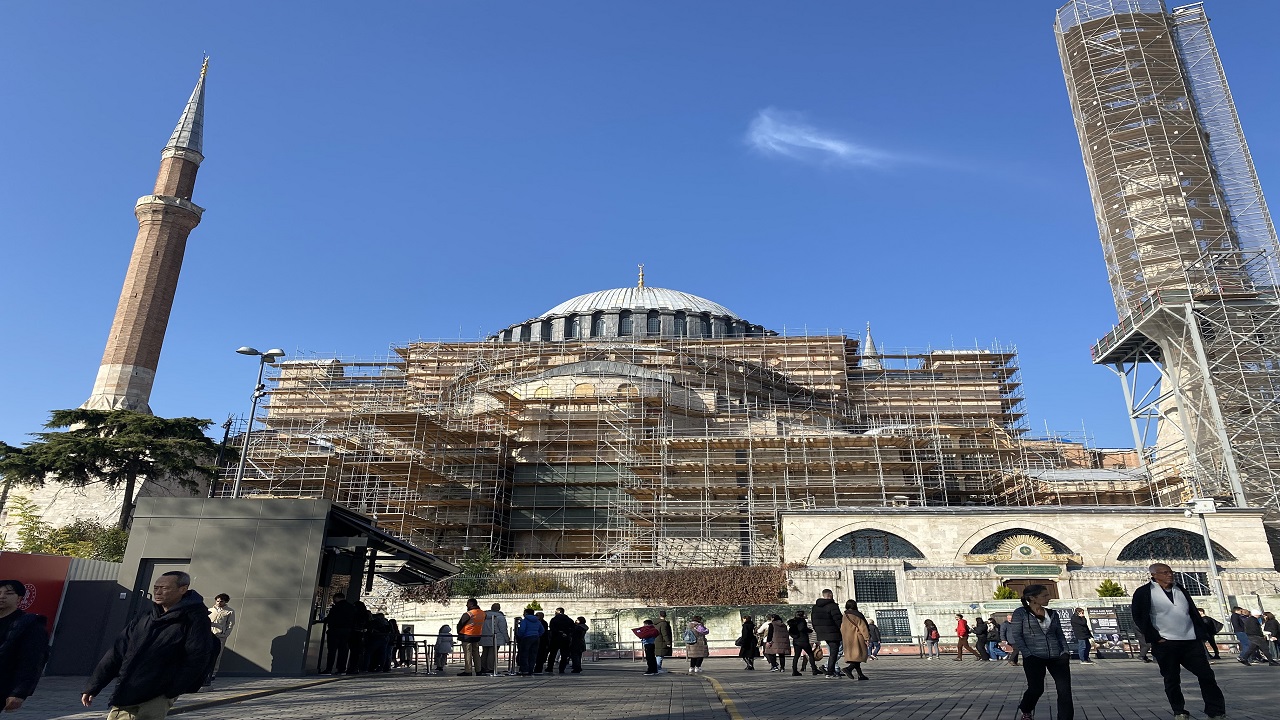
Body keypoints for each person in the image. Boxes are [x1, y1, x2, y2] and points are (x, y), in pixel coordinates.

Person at [83, 571, 216, 720]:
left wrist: (173, 689)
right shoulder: (145, 617)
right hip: (128, 689)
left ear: (183, 589)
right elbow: (117, 651)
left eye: (164, 588)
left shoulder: (194, 619)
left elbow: (198, 657)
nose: (158, 592)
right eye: (156, 587)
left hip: (158, 693)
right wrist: (94, 685)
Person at [1132, 563, 1227, 720]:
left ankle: (1216, 711)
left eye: (1170, 572)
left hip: (1190, 641)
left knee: (1207, 676)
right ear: (1154, 575)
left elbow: (1192, 611)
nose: (1169, 575)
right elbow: (1139, 616)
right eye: (1164, 572)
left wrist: (1200, 634)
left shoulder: (1180, 589)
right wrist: (1156, 638)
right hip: (1166, 643)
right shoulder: (1144, 592)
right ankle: (1179, 710)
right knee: (1172, 679)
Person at [1007, 584, 1074, 720]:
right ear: (1032, 598)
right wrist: (1027, 653)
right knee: (1036, 689)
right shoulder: (1021, 613)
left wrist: (1065, 651)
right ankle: (1026, 709)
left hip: (1057, 656)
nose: (1048, 597)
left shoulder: (1052, 613)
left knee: (1065, 691)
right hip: (1034, 656)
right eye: (1044, 595)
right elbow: (1017, 635)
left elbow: (1059, 634)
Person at [0, 579, 49, 713]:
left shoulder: (29, 625)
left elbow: (32, 661)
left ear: (19, 598)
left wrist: (19, 692)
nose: (2, 596)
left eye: (8, 593)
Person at [322, 592, 357, 675]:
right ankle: (341, 669)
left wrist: (326, 620)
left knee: (332, 651)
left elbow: (330, 618)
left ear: (336, 598)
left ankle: (329, 668)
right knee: (343, 651)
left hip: (334, 631)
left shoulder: (336, 607)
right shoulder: (351, 607)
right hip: (347, 631)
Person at [811, 589, 844, 677]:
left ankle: (832, 669)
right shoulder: (832, 606)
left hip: (823, 633)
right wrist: (842, 630)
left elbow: (814, 621)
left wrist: (818, 631)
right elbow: (838, 620)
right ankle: (829, 671)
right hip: (833, 632)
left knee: (833, 651)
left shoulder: (815, 607)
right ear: (830, 595)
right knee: (834, 652)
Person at [206, 593, 235, 683]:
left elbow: (230, 624)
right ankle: (205, 672)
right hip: (209, 634)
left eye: (221, 601)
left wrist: (225, 634)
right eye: (217, 601)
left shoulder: (229, 611)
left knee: (217, 654)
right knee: (206, 653)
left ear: (225, 601)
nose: (219, 603)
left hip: (220, 636)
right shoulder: (210, 610)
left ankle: (213, 673)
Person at [839, 600, 870, 681]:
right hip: (857, 638)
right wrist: (867, 638)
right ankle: (849, 669)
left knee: (855, 656)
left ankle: (860, 675)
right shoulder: (857, 615)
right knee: (859, 656)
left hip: (848, 639)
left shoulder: (845, 615)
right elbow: (863, 627)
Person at [456, 597, 485, 676]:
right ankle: (478, 670)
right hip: (477, 635)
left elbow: (460, 624)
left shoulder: (468, 614)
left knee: (468, 653)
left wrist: (459, 633)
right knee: (476, 653)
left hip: (467, 635)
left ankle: (468, 670)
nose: (466, 605)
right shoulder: (482, 613)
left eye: (467, 603)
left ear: (471, 604)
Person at [479, 602, 509, 676]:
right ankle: (490, 668)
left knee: (485, 653)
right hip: (496, 637)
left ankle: (482, 667)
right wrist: (506, 638)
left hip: (484, 636)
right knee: (492, 653)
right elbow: (503, 629)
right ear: (498, 609)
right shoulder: (500, 617)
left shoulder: (483, 616)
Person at [513, 607, 543, 676]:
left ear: (526, 613)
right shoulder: (537, 621)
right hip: (536, 638)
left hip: (527, 638)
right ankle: (531, 670)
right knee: (533, 655)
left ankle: (524, 670)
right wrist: (537, 634)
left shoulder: (525, 621)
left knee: (524, 654)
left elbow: (522, 630)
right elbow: (542, 630)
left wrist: (520, 636)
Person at [787, 610, 819, 676]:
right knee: (810, 654)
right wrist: (809, 630)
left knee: (796, 656)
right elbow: (802, 629)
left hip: (796, 640)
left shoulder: (793, 622)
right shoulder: (802, 621)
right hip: (803, 640)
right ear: (802, 615)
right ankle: (814, 669)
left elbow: (791, 631)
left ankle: (794, 670)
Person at [547, 608, 575, 674]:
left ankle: (550, 668)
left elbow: (552, 629)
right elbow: (572, 629)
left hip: (555, 638)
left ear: (559, 612)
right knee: (564, 655)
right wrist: (566, 633)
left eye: (556, 611)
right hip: (565, 639)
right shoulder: (569, 620)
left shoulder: (554, 619)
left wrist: (558, 633)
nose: (555, 613)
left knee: (552, 654)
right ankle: (562, 669)